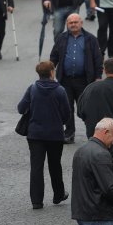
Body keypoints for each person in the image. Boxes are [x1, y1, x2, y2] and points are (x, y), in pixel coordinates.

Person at [17, 61, 71, 209]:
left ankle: (36, 200)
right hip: (55, 135)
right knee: (55, 165)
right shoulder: (60, 90)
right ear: (52, 72)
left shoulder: (32, 89)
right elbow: (67, 114)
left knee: (36, 167)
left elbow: (21, 108)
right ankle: (58, 194)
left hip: (35, 134)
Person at [49, 14, 103, 144]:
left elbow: (97, 59)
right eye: (70, 22)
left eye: (75, 22)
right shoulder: (61, 38)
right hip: (65, 80)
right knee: (67, 108)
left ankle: (92, 134)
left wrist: (98, 77)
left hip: (84, 80)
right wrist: (50, 74)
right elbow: (54, 57)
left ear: (81, 23)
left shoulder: (90, 39)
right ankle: (69, 133)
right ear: (67, 24)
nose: (73, 24)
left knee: (86, 108)